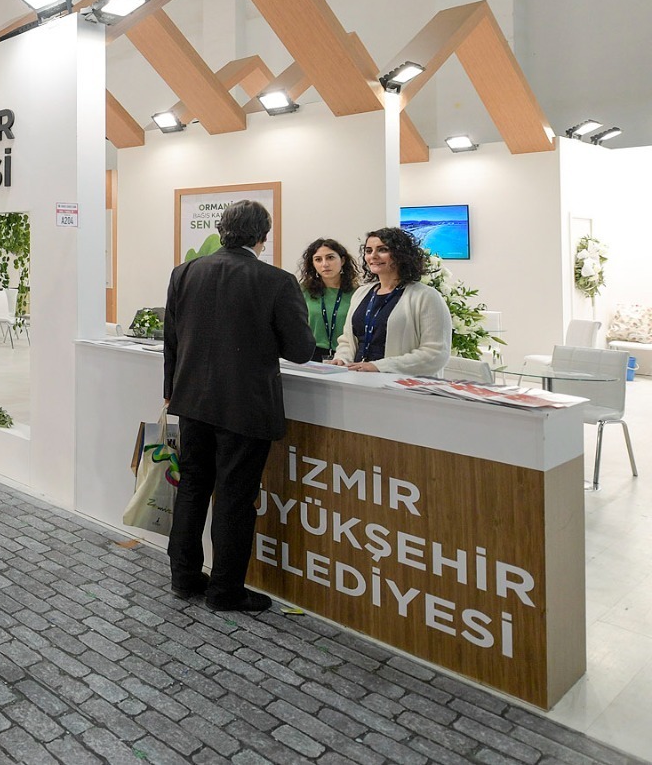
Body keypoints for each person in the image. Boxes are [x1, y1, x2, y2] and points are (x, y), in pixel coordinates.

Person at [163, 200, 312, 612]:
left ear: (222, 230)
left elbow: (172, 339)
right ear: (263, 236)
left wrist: (170, 389)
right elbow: (301, 350)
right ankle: (225, 591)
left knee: (192, 488)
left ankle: (184, 577)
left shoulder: (185, 272)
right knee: (234, 498)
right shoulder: (276, 281)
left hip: (191, 401)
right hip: (245, 407)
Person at [331, 227, 453, 375]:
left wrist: (379, 366)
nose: (373, 256)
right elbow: (347, 340)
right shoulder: (361, 293)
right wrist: (342, 358)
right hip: (358, 379)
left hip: (401, 384)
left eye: (382, 250)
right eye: (369, 251)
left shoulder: (426, 296)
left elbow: (435, 353)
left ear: (401, 254)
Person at [298, 237, 360, 361]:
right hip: (310, 355)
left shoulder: (358, 293)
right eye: (318, 259)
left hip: (346, 356)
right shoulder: (303, 291)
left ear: (342, 260)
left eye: (330, 258)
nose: (325, 264)